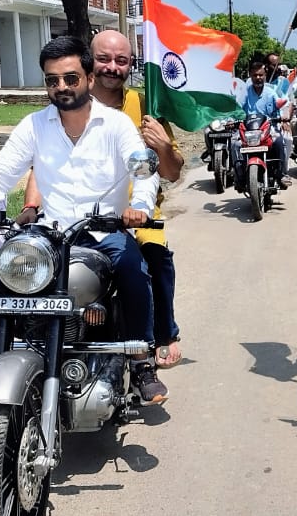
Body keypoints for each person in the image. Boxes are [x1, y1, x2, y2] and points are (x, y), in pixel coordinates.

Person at [0, 34, 169, 404]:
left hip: (103, 231)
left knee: (133, 267)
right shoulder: (34, 125)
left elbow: (142, 171)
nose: (61, 87)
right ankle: (3, 354)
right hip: (50, 232)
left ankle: (141, 358)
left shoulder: (115, 125)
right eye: (52, 80)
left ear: (89, 79)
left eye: (70, 78)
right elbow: (0, 173)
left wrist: (140, 207)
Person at [23, 30, 185, 371]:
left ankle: (159, 338)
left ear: (131, 66)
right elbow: (41, 166)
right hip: (70, 215)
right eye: (104, 59)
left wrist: (163, 146)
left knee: (154, 258)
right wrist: (29, 208)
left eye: (122, 61)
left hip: (133, 216)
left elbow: (172, 173)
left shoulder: (147, 107)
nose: (113, 67)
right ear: (90, 66)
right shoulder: (65, 103)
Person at [234, 52, 290, 188]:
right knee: (234, 144)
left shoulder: (271, 92)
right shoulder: (245, 92)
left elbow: (280, 104)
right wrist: (232, 119)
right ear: (250, 76)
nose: (258, 78)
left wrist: (284, 117)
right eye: (255, 75)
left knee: (280, 141)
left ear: (265, 76)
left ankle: (281, 173)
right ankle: (239, 176)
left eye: (260, 75)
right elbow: (237, 108)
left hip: (268, 129)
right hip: (248, 131)